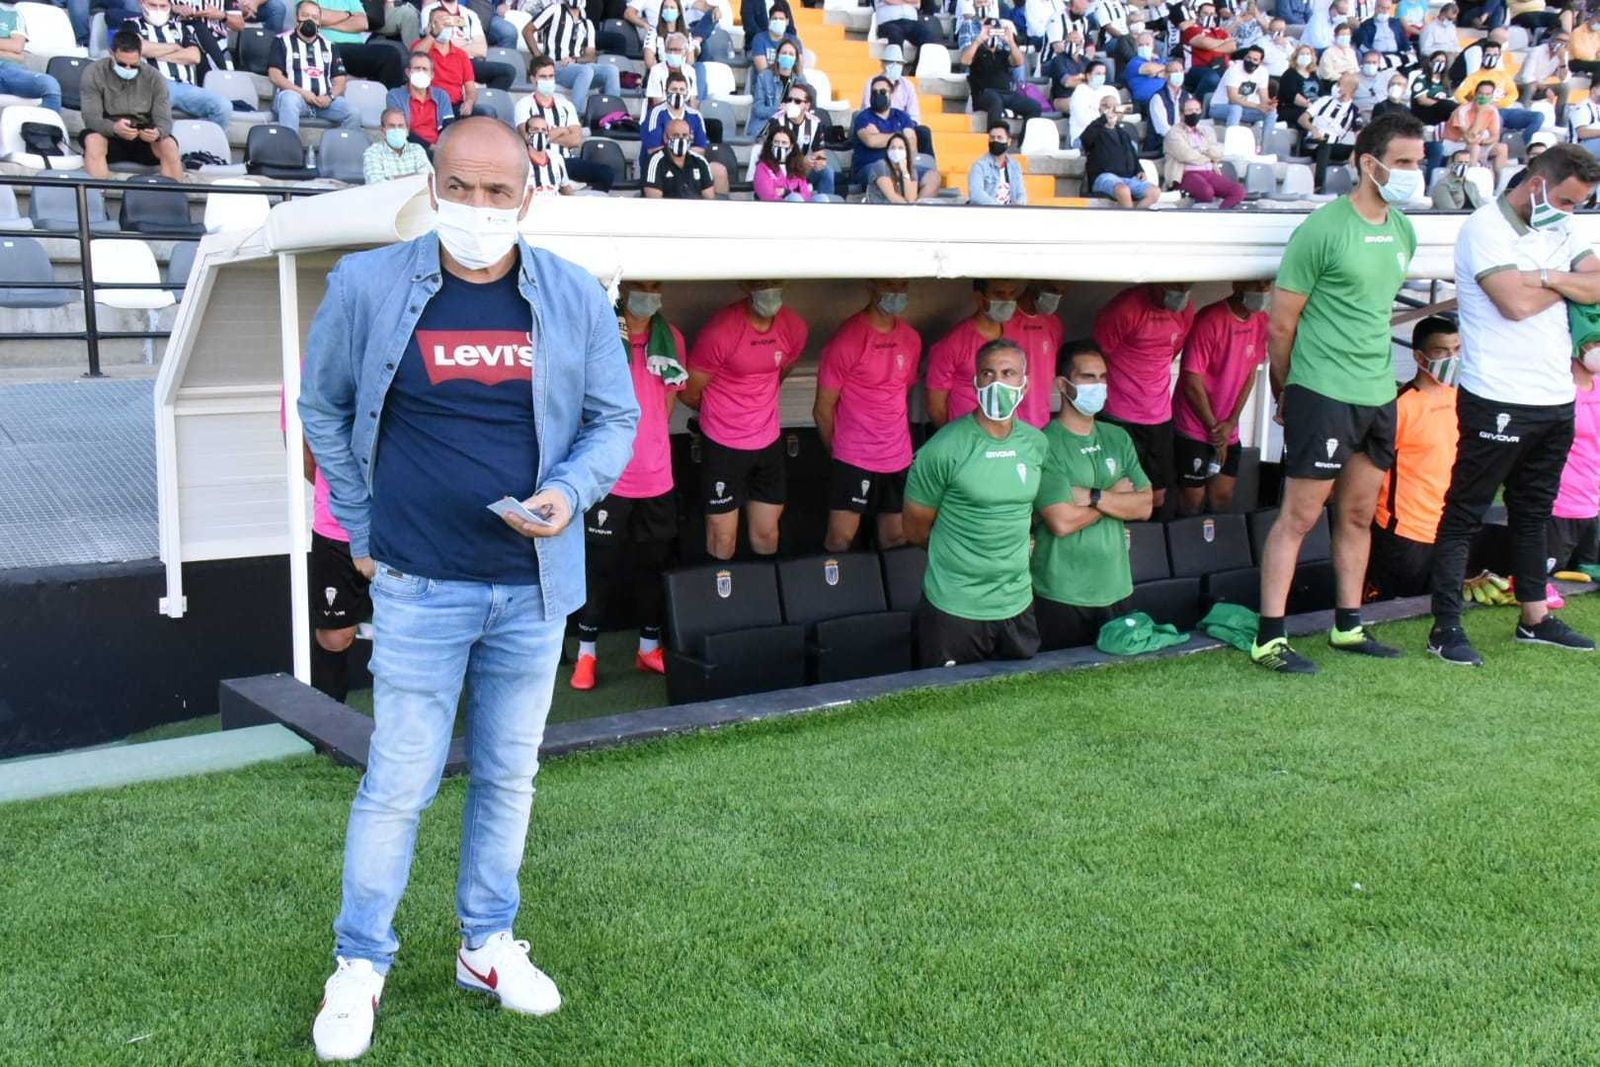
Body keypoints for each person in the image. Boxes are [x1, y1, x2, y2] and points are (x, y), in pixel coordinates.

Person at [299, 116, 638, 1064]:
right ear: (432, 185)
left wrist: (569, 493)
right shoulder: (369, 286)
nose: (481, 208)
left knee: (509, 775)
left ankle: (485, 945)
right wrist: (362, 527)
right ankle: (360, 963)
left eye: (500, 192)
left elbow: (616, 418)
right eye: (464, 187)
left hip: (532, 592)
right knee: (398, 780)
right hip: (416, 584)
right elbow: (322, 405)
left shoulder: (570, 296)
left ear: (527, 194)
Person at [1252, 112, 1427, 674]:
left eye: (1417, 163)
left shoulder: (1403, 229)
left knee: (1356, 515)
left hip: (1378, 393)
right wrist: (1286, 389)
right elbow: (1281, 325)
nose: (1410, 174)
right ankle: (1269, 638)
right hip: (1322, 391)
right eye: (1401, 163)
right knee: (1298, 518)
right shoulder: (1321, 230)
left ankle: (1348, 626)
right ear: (1366, 162)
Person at [1427, 144, 1600, 665]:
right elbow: (1514, 304)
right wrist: (1570, 286)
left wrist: (1544, 277)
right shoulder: (1485, 229)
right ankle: (1446, 627)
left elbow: (1594, 285)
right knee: (1465, 511)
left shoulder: (1565, 228)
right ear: (1536, 185)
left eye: (1580, 205)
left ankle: (1535, 618)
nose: (1572, 213)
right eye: (1567, 200)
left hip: (1554, 398)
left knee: (1533, 513)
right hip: (1497, 396)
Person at [903, 339, 1049, 668]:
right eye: (988, 373)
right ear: (975, 383)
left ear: (1024, 384)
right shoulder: (942, 449)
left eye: (1008, 373)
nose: (997, 381)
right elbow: (914, 529)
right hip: (955, 608)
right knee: (949, 708)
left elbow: (1032, 511)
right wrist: (965, 557)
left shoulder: (1037, 444)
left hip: (1017, 604)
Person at [571, 279, 685, 691]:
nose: (651, 294)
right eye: (643, 287)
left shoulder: (670, 338)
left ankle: (647, 648)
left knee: (651, 568)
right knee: (598, 570)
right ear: (624, 289)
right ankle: (586, 656)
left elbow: (667, 402)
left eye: (658, 287)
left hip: (657, 476)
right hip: (609, 477)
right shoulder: (600, 329)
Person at [1032, 338, 1154, 649]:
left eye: (1102, 378)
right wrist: (1114, 497)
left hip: (1116, 587)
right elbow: (1061, 522)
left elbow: (1145, 505)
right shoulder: (1045, 443)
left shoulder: (1118, 437)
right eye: (1088, 377)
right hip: (1062, 592)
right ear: (1063, 384)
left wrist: (1095, 495)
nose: (1097, 386)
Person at [684, 281, 808, 560]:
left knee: (767, 535)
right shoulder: (721, 331)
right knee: (722, 538)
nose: (770, 289)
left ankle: (763, 600)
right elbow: (690, 391)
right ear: (744, 285)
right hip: (723, 445)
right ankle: (722, 600)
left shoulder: (794, 326)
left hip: (768, 441)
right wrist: (726, 412)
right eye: (762, 283)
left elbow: (783, 369)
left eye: (775, 282)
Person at [815, 280, 922, 552]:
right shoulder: (847, 339)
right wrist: (839, 453)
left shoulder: (911, 338)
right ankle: (835, 594)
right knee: (840, 539)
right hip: (854, 456)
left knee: (896, 539)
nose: (897, 293)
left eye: (902, 285)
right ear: (870, 286)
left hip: (897, 456)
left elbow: (903, 390)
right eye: (889, 285)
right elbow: (823, 408)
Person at [1367, 316, 1460, 599]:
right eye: (1442, 351)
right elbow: (1370, 470)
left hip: (1448, 529)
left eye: (1457, 349)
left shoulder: (1461, 397)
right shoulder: (1400, 406)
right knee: (1394, 612)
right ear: (1420, 357)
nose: (1452, 358)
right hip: (1402, 531)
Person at [1091, 282, 1194, 509]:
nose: (1181, 294)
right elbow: (1098, 356)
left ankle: (1151, 542)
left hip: (1159, 416)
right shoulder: (1125, 308)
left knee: (1158, 496)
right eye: (1175, 287)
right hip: (1120, 415)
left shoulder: (1184, 310)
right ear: (1157, 281)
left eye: (1187, 287)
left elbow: (1171, 351)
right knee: (1120, 490)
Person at [1169, 280, 1268, 515]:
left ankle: (1214, 550)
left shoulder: (1262, 321)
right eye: (1257, 285)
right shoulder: (1211, 319)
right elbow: (1192, 379)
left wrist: (1232, 422)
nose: (1263, 292)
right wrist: (1214, 429)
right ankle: (1187, 549)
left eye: (1267, 286)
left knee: (1222, 497)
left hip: (1227, 430)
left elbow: (1250, 373)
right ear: (1238, 285)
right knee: (1192, 500)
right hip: (1194, 426)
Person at [80, 30, 185, 180]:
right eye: (122, 64)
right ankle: (97, 196)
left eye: (134, 65)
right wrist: (114, 128)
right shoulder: (94, 73)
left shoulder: (154, 77)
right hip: (108, 135)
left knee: (168, 144)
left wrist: (157, 132)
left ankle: (175, 197)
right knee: (93, 140)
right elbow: (91, 118)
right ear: (111, 53)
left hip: (143, 136)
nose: (128, 69)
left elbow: (165, 120)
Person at [926, 279, 1027, 426]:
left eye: (1011, 294)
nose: (1007, 300)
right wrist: (957, 439)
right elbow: (935, 406)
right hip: (968, 436)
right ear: (980, 299)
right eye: (999, 294)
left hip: (1006, 434)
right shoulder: (952, 343)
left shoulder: (1015, 334)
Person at [128, 0, 233, 129]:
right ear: (142, 4)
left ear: (169, 7)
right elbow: (139, 47)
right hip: (153, 84)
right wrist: (175, 46)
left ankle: (200, 143)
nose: (158, 10)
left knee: (223, 107)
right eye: (153, 5)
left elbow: (194, 56)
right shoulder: (131, 24)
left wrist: (152, 55)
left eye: (163, 6)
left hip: (185, 86)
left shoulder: (180, 27)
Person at [516, 56, 615, 192]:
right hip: (539, 161)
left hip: (566, 161)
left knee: (606, 173)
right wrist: (562, 130)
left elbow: (576, 139)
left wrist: (545, 135)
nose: (548, 80)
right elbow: (529, 139)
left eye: (551, 76)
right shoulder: (524, 105)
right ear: (533, 79)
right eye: (543, 77)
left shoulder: (565, 104)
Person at [1548, 343, 1600, 574]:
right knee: (1548, 581)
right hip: (1556, 509)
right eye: (1594, 342)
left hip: (1592, 507)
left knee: (1585, 582)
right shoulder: (1555, 390)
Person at [270, 2, 362, 131]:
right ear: (297, 19)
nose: (310, 20)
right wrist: (303, 93)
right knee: (289, 100)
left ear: (320, 22)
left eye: (314, 17)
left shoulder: (330, 46)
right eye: (305, 15)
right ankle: (289, 148)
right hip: (296, 99)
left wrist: (329, 97)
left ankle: (338, 148)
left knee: (353, 113)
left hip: (324, 103)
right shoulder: (281, 41)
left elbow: (340, 81)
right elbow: (275, 76)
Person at [959, 2, 1038, 129]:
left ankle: (1024, 142)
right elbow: (964, 61)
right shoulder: (978, 51)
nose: (992, 34)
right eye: (989, 31)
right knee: (996, 101)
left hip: (1006, 93)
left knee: (1034, 106)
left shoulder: (1003, 52)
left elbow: (1019, 62)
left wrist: (1011, 41)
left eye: (995, 31)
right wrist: (980, 39)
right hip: (985, 94)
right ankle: (994, 138)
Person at [527, 0, 621, 102]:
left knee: (612, 70)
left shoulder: (587, 23)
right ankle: (576, 114)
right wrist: (539, 57)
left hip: (578, 66)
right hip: (556, 65)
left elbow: (590, 55)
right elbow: (527, 30)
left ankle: (613, 114)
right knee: (586, 71)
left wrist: (575, 60)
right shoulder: (554, 9)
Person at [1453, 37, 1543, 137]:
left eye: (1495, 55)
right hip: (1486, 113)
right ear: (1482, 56)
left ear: (1499, 57)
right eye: (1488, 55)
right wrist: (1475, 107)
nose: (1491, 58)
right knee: (1496, 120)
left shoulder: (1503, 75)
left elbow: (1513, 94)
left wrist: (1498, 104)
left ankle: (1524, 144)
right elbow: (1459, 95)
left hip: (1506, 111)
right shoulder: (1474, 77)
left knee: (1538, 117)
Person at [1082, 95, 1161, 208]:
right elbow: (1085, 139)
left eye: (1115, 107)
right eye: (1106, 106)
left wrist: (1139, 170)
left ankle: (1135, 218)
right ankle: (1129, 221)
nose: (1111, 110)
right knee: (1123, 190)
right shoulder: (1095, 129)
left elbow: (1132, 156)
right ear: (1100, 109)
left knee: (1154, 192)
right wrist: (1103, 119)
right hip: (1104, 177)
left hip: (1128, 178)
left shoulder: (1123, 133)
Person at [760, 81, 835, 197]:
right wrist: (800, 161)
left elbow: (820, 151)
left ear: (807, 105)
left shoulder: (815, 123)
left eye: (797, 101)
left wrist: (820, 161)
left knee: (827, 172)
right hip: (781, 170)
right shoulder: (776, 121)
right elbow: (771, 156)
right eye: (789, 100)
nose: (792, 104)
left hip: (802, 170)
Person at [1164, 97, 1243, 205]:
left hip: (1208, 172)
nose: (1194, 113)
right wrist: (1209, 157)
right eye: (1190, 111)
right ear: (1182, 114)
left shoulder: (1207, 131)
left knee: (1237, 190)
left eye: (1197, 110)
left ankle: (1221, 216)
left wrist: (1202, 151)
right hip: (1185, 175)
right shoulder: (1173, 133)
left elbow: (1219, 152)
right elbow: (1187, 156)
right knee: (1206, 191)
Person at [312, 0, 406, 89]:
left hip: (356, 48)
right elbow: (312, 15)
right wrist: (348, 15)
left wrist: (326, 23)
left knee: (391, 55)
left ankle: (390, 103)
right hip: (326, 46)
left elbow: (363, 23)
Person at [0, 5, 65, 113]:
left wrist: (14, 54)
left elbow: (17, 47)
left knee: (49, 84)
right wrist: (9, 52)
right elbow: (16, 52)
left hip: (10, 70)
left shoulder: (12, 14)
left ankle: (46, 128)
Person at [1301, 72, 1360, 191]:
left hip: (1333, 145)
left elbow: (1360, 135)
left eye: (1339, 84)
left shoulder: (1353, 110)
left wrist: (1355, 152)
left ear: (1349, 89)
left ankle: (1362, 189)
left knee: (1364, 151)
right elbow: (1302, 119)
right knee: (1325, 144)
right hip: (1314, 143)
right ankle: (1318, 185)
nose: (1336, 86)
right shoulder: (1324, 100)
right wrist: (1314, 129)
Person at [853, 75, 918, 176]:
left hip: (900, 165)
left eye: (883, 92)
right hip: (871, 167)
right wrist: (901, 137)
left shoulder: (902, 116)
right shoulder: (863, 117)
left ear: (891, 94)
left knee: (932, 176)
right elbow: (871, 141)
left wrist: (881, 135)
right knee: (883, 169)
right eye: (874, 92)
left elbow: (912, 143)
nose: (878, 95)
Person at [384, 53, 451, 148]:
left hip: (439, 148)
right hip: (408, 147)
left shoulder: (441, 95)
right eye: (417, 68)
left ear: (432, 75)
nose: (421, 72)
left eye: (425, 69)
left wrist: (442, 148)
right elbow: (398, 130)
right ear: (408, 72)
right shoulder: (394, 96)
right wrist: (430, 147)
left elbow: (448, 128)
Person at [1444, 80, 1509, 173]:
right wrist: (1480, 113)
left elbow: (1495, 136)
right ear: (1475, 94)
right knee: (1475, 148)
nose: (1483, 97)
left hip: (1478, 142)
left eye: (1487, 94)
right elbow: (1469, 138)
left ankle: (1499, 185)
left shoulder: (1492, 110)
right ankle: (1471, 179)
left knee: (1502, 148)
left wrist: (1483, 141)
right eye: (1481, 93)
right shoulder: (1462, 110)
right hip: (1455, 143)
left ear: (1491, 96)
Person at [1208, 41, 1275, 133]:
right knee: (1236, 108)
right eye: (1248, 58)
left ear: (1260, 62)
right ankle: (1231, 142)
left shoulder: (1263, 72)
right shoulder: (1234, 69)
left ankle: (1265, 145)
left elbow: (1264, 98)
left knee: (1272, 113)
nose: (1250, 61)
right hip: (1219, 107)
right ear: (1244, 57)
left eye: (1255, 60)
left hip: (1244, 109)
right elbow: (1233, 99)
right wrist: (1257, 106)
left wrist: (1270, 104)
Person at [744, 37, 804, 137]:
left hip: (792, 127)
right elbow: (758, 109)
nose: (787, 56)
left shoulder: (800, 80)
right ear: (777, 56)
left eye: (791, 54)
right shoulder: (764, 76)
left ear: (795, 59)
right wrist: (780, 109)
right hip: (767, 127)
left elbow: (806, 106)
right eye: (784, 53)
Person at [642, 117, 714, 198]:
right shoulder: (655, 162)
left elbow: (709, 199)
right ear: (665, 138)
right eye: (676, 135)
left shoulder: (700, 161)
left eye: (684, 135)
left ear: (690, 137)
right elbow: (654, 202)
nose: (681, 139)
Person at [865, 128, 939, 202]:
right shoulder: (881, 166)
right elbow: (893, 198)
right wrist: (910, 210)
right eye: (893, 148)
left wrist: (905, 172)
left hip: (901, 210)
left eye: (900, 148)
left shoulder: (911, 169)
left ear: (906, 151)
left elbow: (910, 199)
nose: (896, 151)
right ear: (887, 151)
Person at [968, 119, 1028, 205]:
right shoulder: (979, 166)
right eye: (992, 138)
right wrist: (998, 209)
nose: (995, 141)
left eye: (999, 138)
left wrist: (1020, 204)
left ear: (1009, 141)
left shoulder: (1015, 166)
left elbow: (1021, 193)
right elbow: (976, 194)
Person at [364, 106, 433, 181]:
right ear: (382, 129)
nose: (396, 130)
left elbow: (429, 178)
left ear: (407, 129)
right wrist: (415, 176)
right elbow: (376, 183)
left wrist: (391, 179)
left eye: (400, 126)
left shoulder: (417, 149)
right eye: (391, 126)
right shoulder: (373, 152)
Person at [753, 123, 814, 201]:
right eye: (776, 142)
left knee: (821, 198)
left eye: (784, 143)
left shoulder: (796, 166)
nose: (780, 145)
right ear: (771, 144)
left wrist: (787, 192)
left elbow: (807, 195)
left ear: (791, 146)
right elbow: (767, 196)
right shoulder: (763, 167)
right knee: (795, 198)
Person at [862, 43, 920, 123]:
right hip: (876, 124)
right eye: (891, 62)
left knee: (923, 131)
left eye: (899, 63)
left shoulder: (907, 85)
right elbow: (867, 109)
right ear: (883, 64)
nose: (895, 66)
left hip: (901, 125)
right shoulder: (872, 83)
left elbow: (914, 115)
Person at [1067, 57, 1120, 145]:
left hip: (1110, 134)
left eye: (1103, 74)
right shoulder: (1080, 91)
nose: (1101, 76)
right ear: (1088, 75)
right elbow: (1083, 120)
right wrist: (1105, 115)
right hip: (1083, 136)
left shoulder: (1111, 90)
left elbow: (1119, 113)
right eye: (1098, 74)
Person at [522, 113, 577, 195]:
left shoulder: (557, 158)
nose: (540, 133)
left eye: (543, 130)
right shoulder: (519, 160)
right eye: (535, 130)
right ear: (527, 134)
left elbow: (565, 187)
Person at [1143, 56, 1188, 151]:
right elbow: (1162, 129)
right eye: (1175, 71)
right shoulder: (1158, 98)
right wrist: (1181, 141)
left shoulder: (1187, 96)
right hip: (1161, 145)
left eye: (1181, 71)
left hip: (1183, 143)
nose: (1179, 74)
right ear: (1166, 75)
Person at [643, 32, 698, 107]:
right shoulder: (656, 70)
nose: (672, 53)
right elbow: (656, 102)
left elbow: (692, 101)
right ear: (665, 51)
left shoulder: (690, 71)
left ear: (685, 52)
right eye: (670, 49)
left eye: (677, 50)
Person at [1408, 50, 1456, 126]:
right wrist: (1442, 104)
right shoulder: (1422, 79)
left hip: (1442, 112)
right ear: (1430, 63)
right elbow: (1422, 100)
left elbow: (1451, 99)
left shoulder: (1445, 81)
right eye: (1437, 61)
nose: (1440, 64)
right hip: (1424, 112)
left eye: (1443, 62)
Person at [1123, 28, 1167, 104]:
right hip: (1146, 102)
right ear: (1136, 48)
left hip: (1165, 99)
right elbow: (1150, 69)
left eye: (1147, 44)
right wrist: (1163, 70)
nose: (1144, 47)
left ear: (1153, 46)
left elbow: (1172, 71)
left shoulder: (1160, 61)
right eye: (1140, 45)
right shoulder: (1134, 62)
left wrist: (1160, 70)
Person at [1567, 79, 1600, 156]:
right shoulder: (1582, 107)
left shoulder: (1598, 107)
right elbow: (1582, 133)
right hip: (1577, 148)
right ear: (1593, 90)